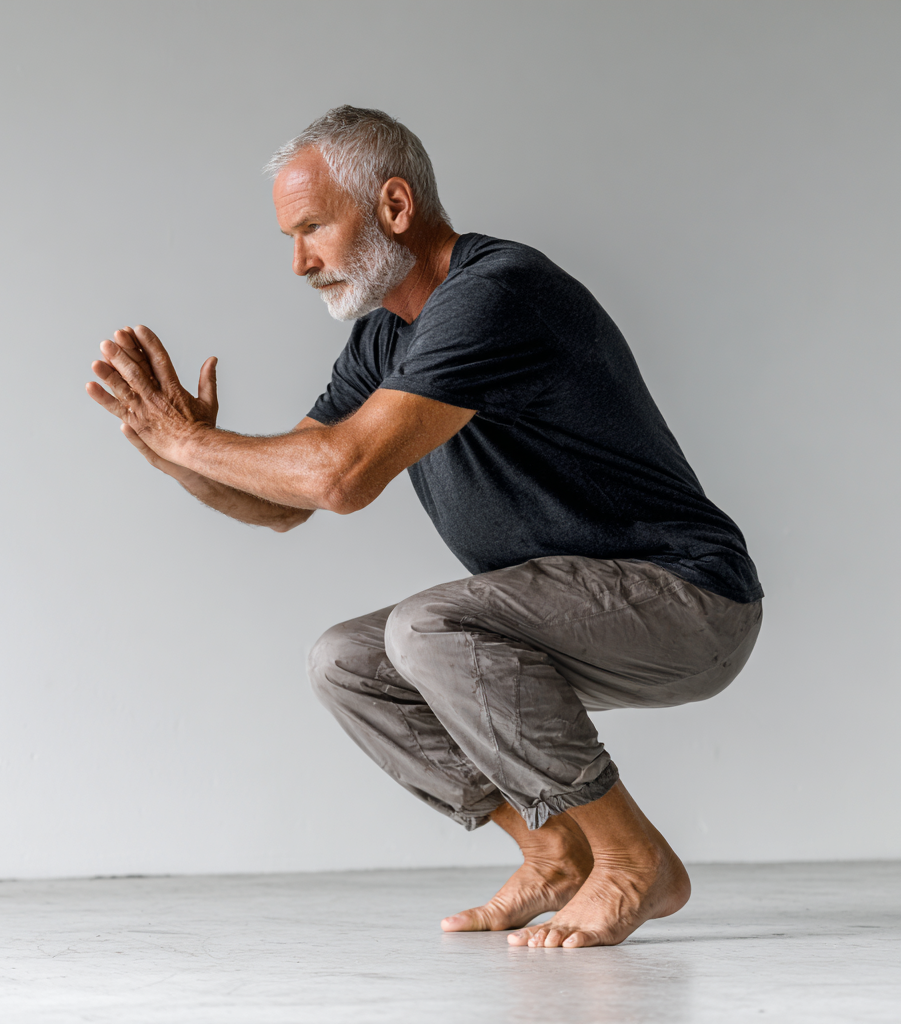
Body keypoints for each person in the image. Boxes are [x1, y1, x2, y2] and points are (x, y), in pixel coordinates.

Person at [86, 105, 763, 949]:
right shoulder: (384, 336)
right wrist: (175, 452)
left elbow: (341, 475)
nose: (298, 261)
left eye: (312, 229)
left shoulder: (495, 293)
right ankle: (553, 849)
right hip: (566, 614)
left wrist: (192, 439)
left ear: (395, 208)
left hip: (688, 599)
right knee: (349, 662)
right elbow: (286, 500)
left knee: (429, 626)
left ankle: (633, 862)